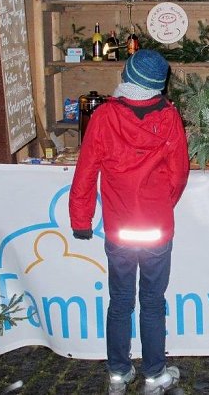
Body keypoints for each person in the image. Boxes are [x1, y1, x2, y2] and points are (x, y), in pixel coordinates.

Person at [69, 49, 190, 395]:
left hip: (120, 229)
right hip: (156, 229)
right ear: (159, 85)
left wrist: (81, 219)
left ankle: (118, 373)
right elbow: (179, 173)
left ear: (126, 76)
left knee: (120, 301)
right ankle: (154, 375)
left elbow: (86, 171)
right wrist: (161, 205)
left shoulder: (104, 116)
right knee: (152, 302)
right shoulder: (169, 117)